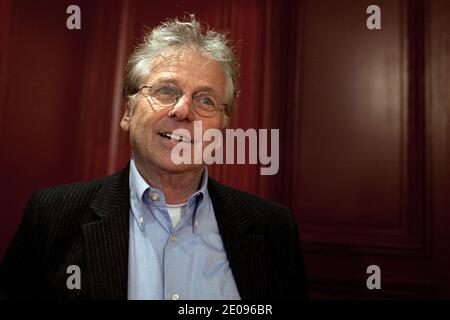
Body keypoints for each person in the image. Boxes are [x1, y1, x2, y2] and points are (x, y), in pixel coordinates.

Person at [0, 16, 308, 300]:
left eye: (205, 100)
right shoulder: (52, 217)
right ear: (128, 112)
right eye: (166, 91)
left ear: (222, 128)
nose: (183, 111)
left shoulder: (273, 229)